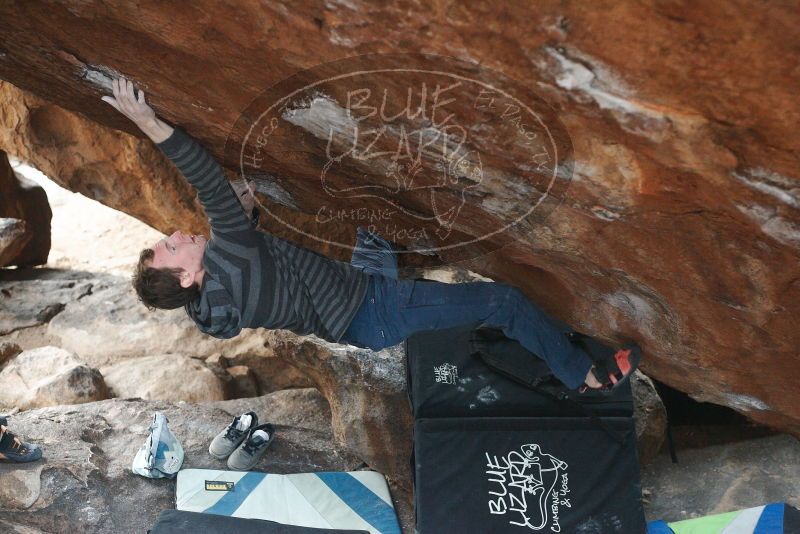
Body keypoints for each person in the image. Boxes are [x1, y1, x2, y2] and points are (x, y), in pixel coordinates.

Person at [102, 77, 637, 392]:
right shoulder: (229, 259)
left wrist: (249, 223)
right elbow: (207, 182)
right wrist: (146, 121)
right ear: (189, 274)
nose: (174, 233)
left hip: (356, 288)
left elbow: (265, 264)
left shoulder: (217, 297)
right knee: (504, 301)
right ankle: (581, 376)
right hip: (377, 309)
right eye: (171, 247)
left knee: (370, 203)